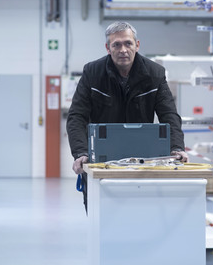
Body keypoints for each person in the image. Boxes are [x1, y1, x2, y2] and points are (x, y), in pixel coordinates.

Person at [66, 21, 188, 211]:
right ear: (108, 48)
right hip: (101, 160)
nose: (123, 49)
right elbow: (76, 116)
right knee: (101, 217)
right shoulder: (92, 73)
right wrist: (80, 153)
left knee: (139, 215)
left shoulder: (155, 74)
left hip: (142, 162)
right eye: (116, 44)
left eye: (128, 43)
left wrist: (176, 147)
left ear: (137, 45)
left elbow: (169, 115)